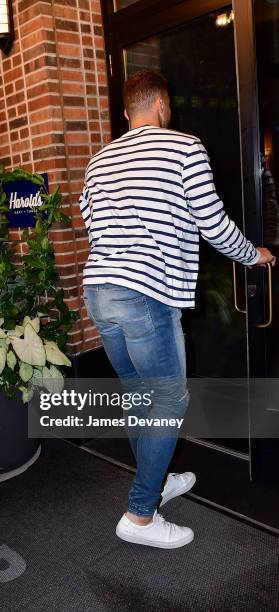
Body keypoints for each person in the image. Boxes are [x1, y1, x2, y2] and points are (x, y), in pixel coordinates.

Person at [79, 70, 276, 549]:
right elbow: (210, 219)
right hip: (145, 295)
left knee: (137, 397)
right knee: (168, 402)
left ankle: (157, 481)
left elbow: (89, 219)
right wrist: (254, 254)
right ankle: (140, 514)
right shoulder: (184, 148)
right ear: (164, 108)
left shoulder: (99, 159)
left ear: (127, 114)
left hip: (99, 292)